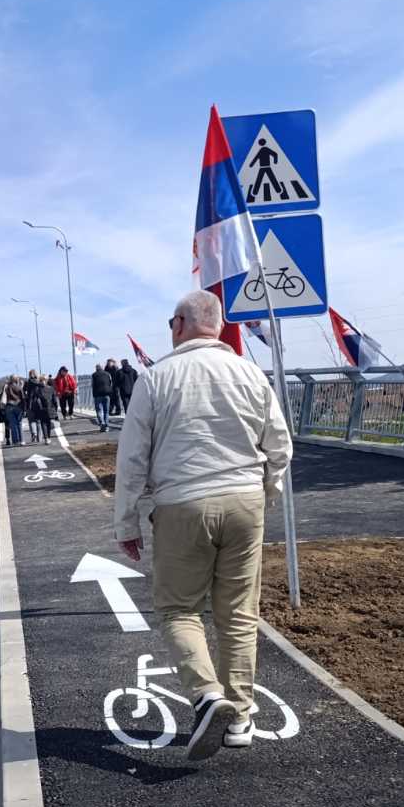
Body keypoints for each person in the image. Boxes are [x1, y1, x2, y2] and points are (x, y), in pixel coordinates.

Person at [113, 290, 293, 762]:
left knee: (178, 609)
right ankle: (241, 718)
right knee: (238, 613)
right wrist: (266, 492)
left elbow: (132, 459)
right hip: (245, 502)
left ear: (179, 325)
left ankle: (207, 695)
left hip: (182, 504)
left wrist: (126, 521)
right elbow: (279, 445)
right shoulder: (249, 372)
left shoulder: (155, 378)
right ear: (217, 326)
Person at [23, 370, 52, 444]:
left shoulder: (27, 382)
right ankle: (39, 438)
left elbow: (24, 392)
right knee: (38, 421)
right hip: (37, 403)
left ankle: (34, 433)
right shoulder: (36, 381)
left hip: (30, 403)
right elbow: (42, 386)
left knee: (31, 420)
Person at [2, 374, 25, 446]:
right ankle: (21, 440)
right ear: (16, 379)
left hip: (9, 406)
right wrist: (24, 409)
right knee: (19, 423)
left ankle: (15, 441)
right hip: (18, 406)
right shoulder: (19, 387)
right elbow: (23, 398)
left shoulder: (7, 387)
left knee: (13, 424)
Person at [91, 362, 114, 431]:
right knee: (106, 411)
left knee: (99, 410)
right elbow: (111, 383)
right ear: (102, 368)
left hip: (97, 395)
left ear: (96, 368)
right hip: (106, 394)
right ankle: (106, 425)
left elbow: (92, 384)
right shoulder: (108, 374)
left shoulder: (94, 375)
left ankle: (102, 423)